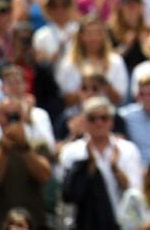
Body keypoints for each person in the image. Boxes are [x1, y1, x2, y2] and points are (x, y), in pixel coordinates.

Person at [59, 96, 143, 230]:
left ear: (112, 121)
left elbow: (135, 193)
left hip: (120, 224)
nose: (99, 123)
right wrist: (87, 168)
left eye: (104, 118)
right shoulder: (72, 152)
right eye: (92, 118)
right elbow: (67, 194)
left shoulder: (128, 150)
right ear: (84, 121)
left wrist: (115, 168)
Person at [0, 97, 52, 230]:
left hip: (34, 224)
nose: (11, 120)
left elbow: (44, 177)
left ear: (23, 117)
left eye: (15, 115)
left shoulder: (38, 146)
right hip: (0, 224)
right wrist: (4, 152)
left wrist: (24, 147)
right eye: (7, 115)